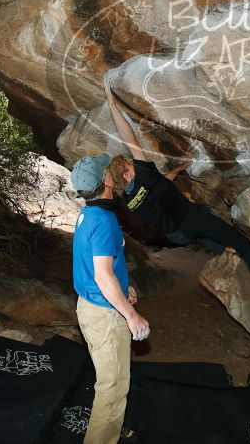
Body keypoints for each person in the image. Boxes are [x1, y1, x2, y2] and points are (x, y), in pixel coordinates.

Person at [103, 83, 250, 289]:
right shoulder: (145, 177)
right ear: (128, 174)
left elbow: (159, 185)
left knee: (206, 236)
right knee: (234, 236)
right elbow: (130, 140)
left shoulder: (130, 200)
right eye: (131, 164)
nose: (134, 162)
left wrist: (181, 167)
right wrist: (112, 105)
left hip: (177, 234)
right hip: (191, 218)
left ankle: (221, 247)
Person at [70, 153, 149, 444]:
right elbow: (103, 277)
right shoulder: (103, 221)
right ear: (106, 180)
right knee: (112, 388)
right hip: (105, 316)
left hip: (89, 307)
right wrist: (131, 314)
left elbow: (95, 266)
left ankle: (110, 428)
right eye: (108, 170)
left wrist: (123, 285)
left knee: (108, 380)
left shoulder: (88, 213)